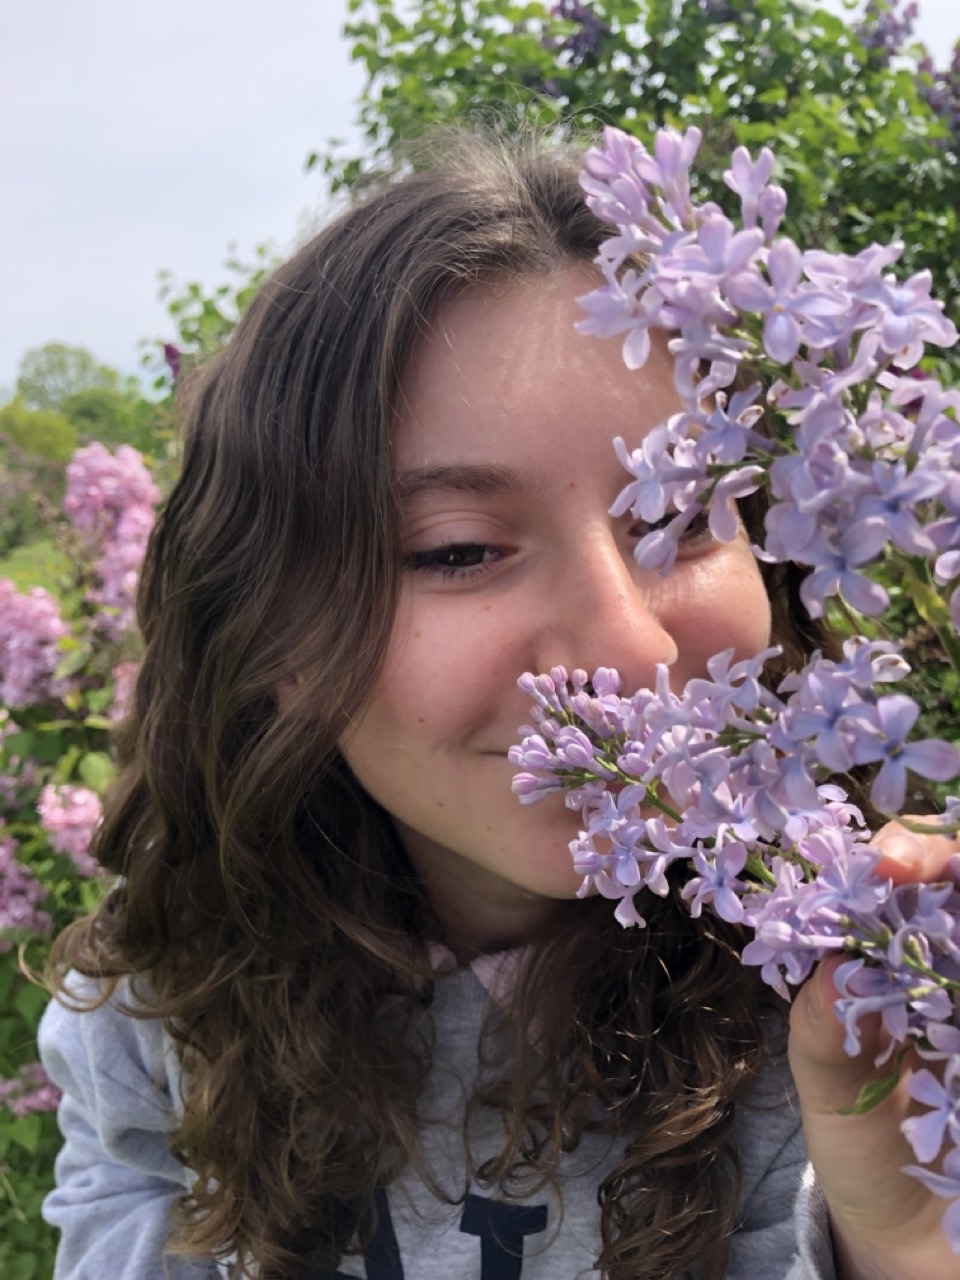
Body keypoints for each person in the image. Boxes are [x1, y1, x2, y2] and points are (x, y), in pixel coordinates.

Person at [37, 131, 959, 1280]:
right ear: (269, 628)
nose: (629, 642)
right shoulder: (165, 999)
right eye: (460, 548)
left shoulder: (861, 990)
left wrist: (905, 1236)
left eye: (681, 519)